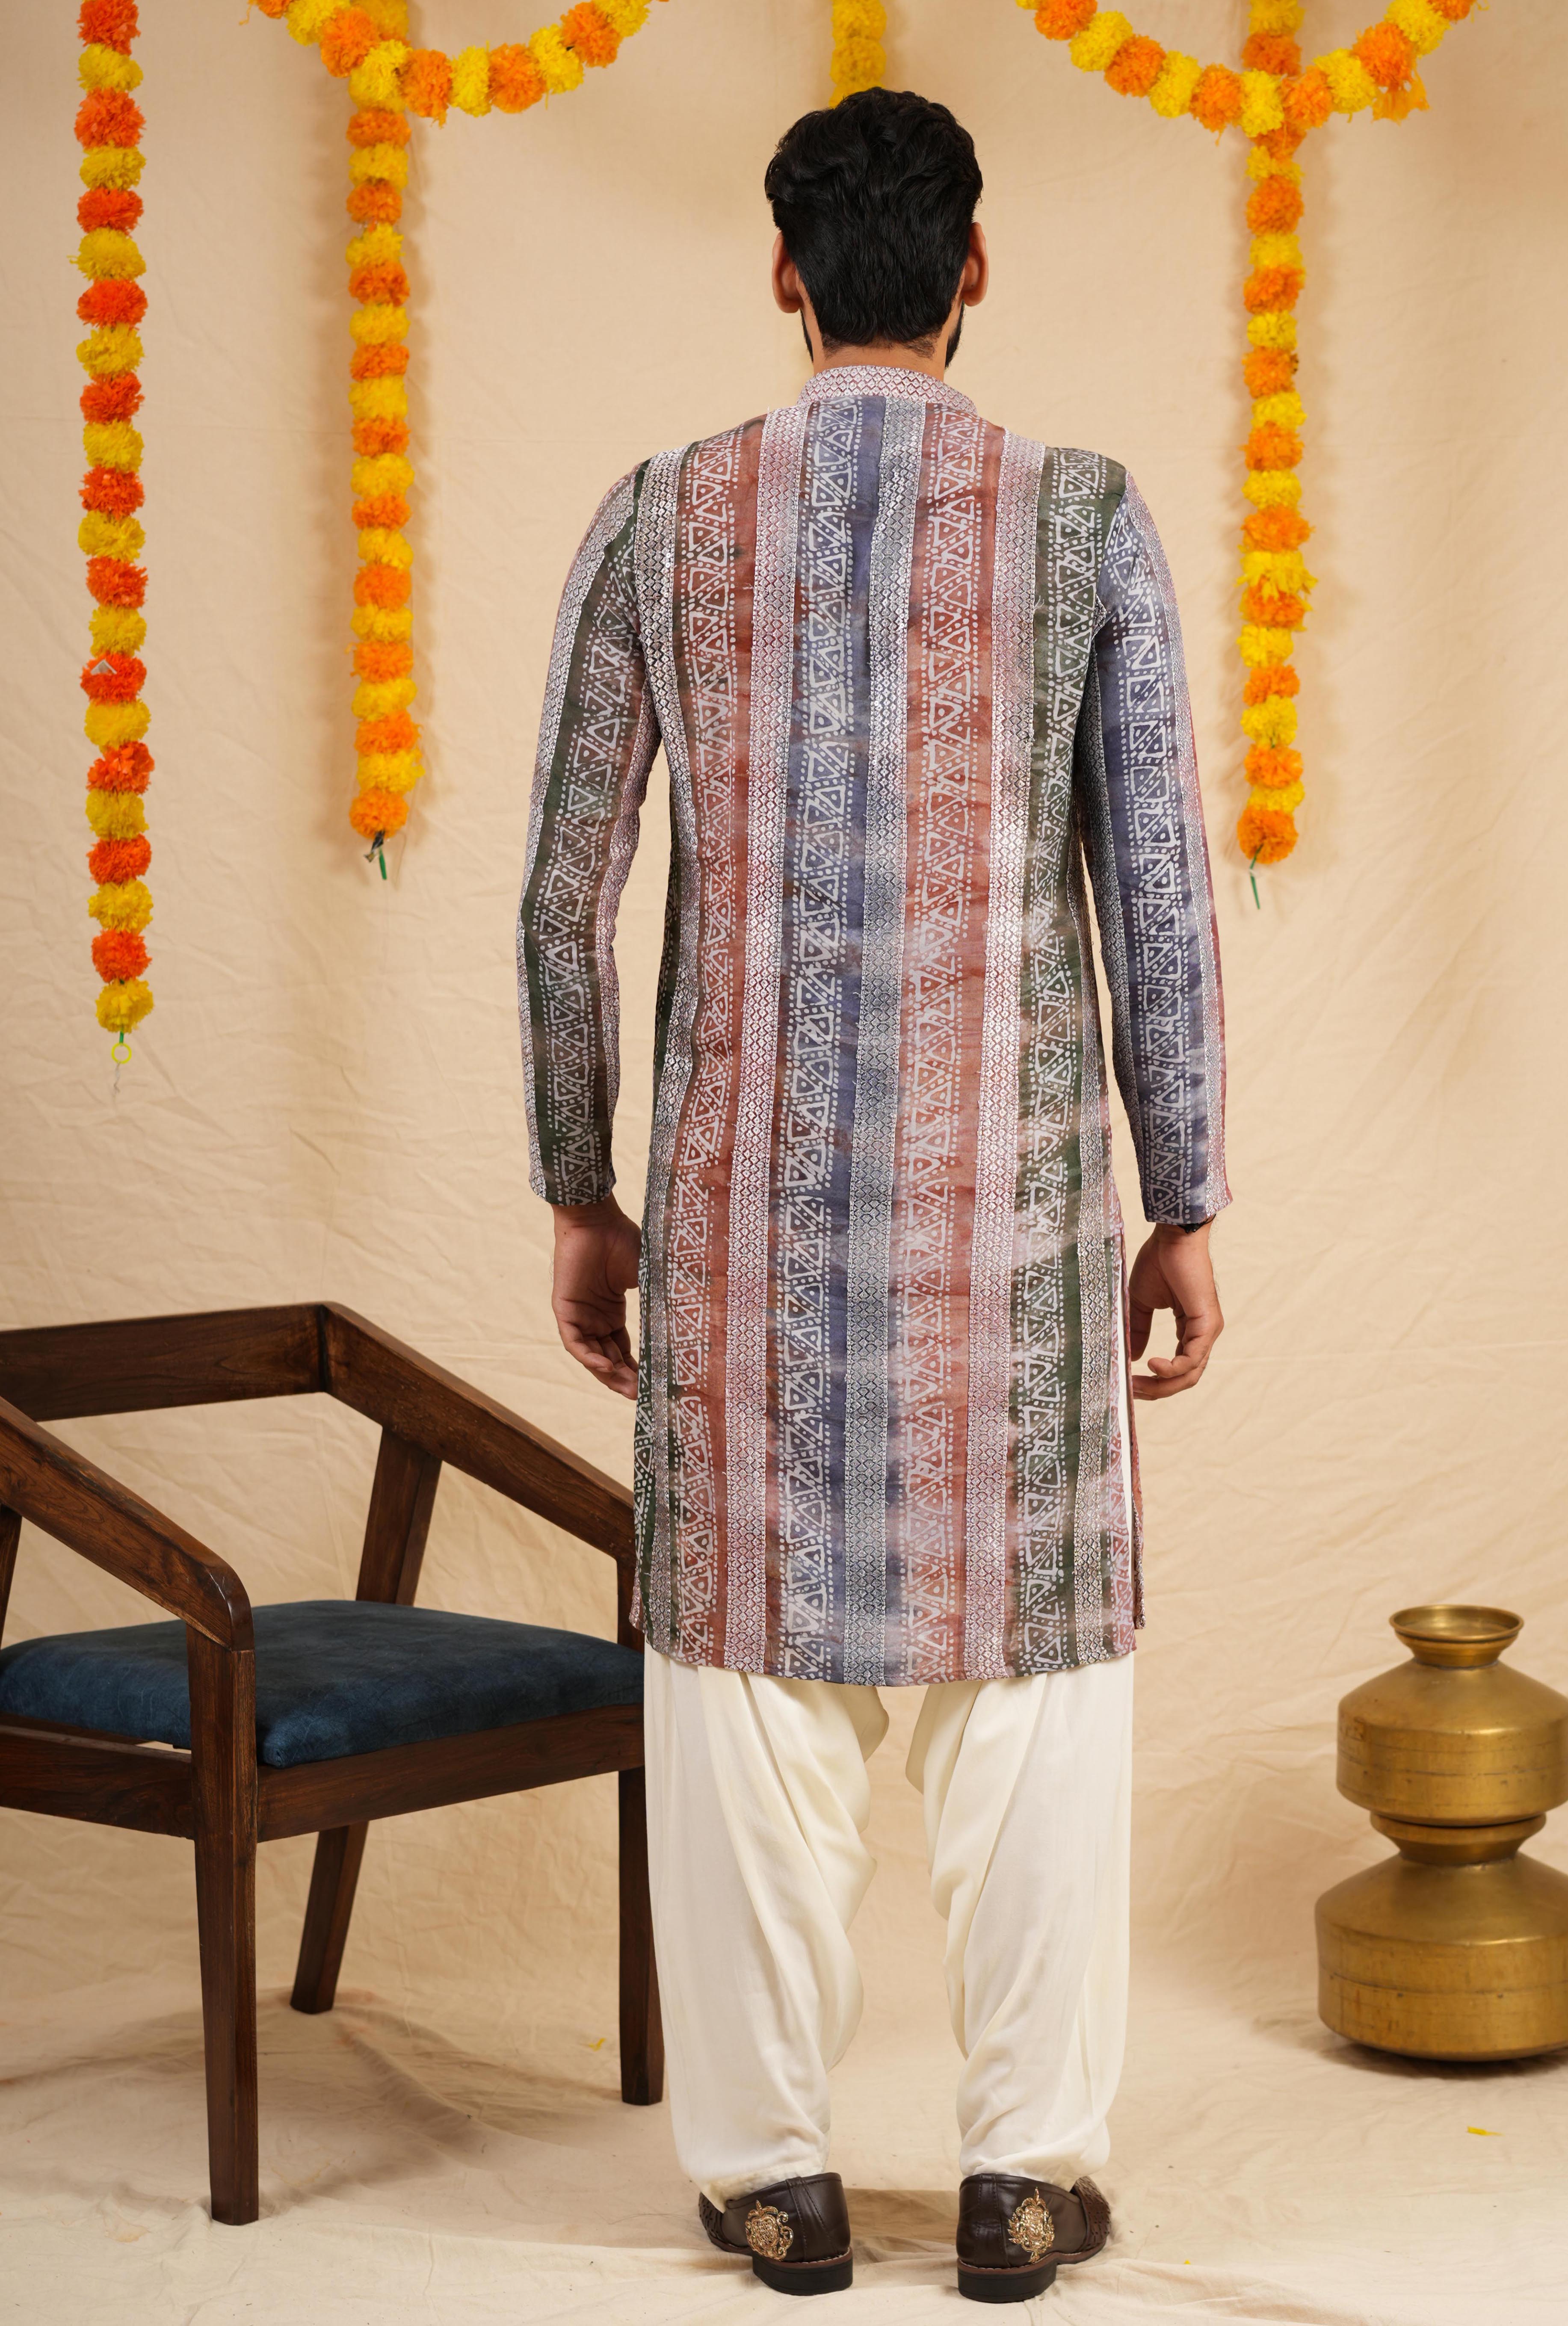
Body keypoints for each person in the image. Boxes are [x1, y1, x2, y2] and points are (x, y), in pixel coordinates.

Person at [519, 87, 1228, 2303]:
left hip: (740, 1236)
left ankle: (770, 2184)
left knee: (743, 1692)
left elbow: (561, 898)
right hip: (1014, 1248)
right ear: (974, 267)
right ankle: (1025, 2179)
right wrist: (1185, 1194)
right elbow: (1159, 894)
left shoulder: (660, 520)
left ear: (784, 271)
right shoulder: (1086, 520)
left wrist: (579, 1184)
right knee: (1035, 1700)